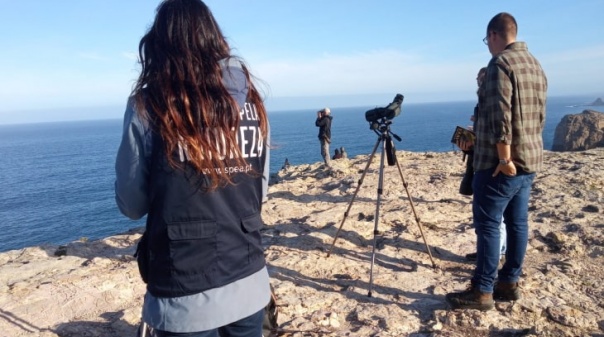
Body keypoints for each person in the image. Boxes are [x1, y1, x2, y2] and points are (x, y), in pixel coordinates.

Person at [114, 1, 271, 335]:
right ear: (215, 37)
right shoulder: (252, 102)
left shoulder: (149, 105)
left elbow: (131, 204)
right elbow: (262, 188)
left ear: (160, 42)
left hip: (184, 287)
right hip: (249, 276)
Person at [446, 12, 547, 311]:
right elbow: (539, 115)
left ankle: (482, 291)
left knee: (488, 226)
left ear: (493, 35)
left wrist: (504, 158)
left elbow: (502, 117)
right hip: (529, 160)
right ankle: (509, 282)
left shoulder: (500, 64)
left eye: (486, 40)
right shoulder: (535, 65)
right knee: (517, 223)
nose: (487, 45)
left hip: (501, 164)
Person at [458, 67, 507, 262]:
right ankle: (492, 251)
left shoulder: (494, 102)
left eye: (482, 80)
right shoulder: (486, 103)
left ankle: (494, 255)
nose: (479, 84)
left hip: (492, 166)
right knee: (495, 217)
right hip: (487, 163)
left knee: (493, 218)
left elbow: (498, 136)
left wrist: (477, 138)